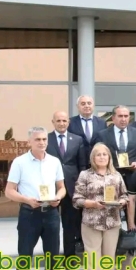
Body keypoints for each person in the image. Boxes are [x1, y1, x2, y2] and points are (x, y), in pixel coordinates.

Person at [4, 127, 66, 270]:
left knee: (53, 258)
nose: (42, 142)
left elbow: (62, 187)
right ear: (29, 142)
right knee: (24, 257)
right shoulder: (19, 162)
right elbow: (9, 191)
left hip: (51, 214)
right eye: (37, 139)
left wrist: (58, 197)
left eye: (44, 139)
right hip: (29, 214)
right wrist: (26, 200)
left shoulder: (54, 162)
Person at [72, 143, 129, 270]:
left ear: (109, 157)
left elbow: (125, 195)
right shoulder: (85, 175)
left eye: (105, 154)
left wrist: (121, 202)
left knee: (108, 260)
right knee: (93, 261)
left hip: (112, 223)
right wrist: (92, 204)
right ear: (93, 158)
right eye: (98, 154)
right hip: (91, 222)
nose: (102, 157)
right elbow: (76, 199)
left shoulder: (116, 175)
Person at [46, 110, 85, 259]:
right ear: (53, 122)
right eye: (58, 121)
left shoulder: (77, 140)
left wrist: (81, 186)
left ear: (68, 122)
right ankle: (52, 257)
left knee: (69, 224)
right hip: (51, 188)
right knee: (51, 225)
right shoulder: (46, 139)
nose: (61, 123)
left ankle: (70, 257)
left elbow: (81, 165)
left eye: (64, 121)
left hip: (71, 187)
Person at [68, 95, 107, 169]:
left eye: (89, 103)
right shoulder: (70, 122)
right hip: (77, 163)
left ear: (93, 105)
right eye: (83, 104)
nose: (86, 106)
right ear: (77, 106)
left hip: (97, 163)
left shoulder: (102, 122)